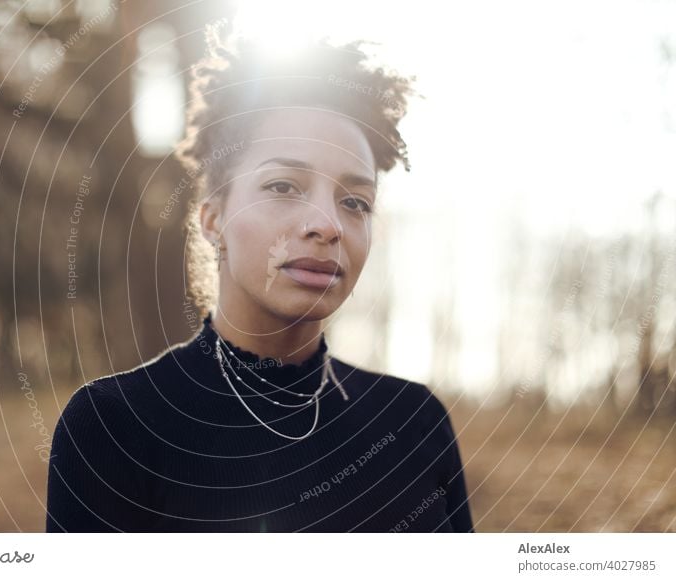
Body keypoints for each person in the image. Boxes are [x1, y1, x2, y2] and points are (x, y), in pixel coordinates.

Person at [45, 23, 474, 533]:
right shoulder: (115, 426)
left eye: (355, 202)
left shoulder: (413, 421)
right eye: (283, 185)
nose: (328, 225)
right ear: (211, 219)